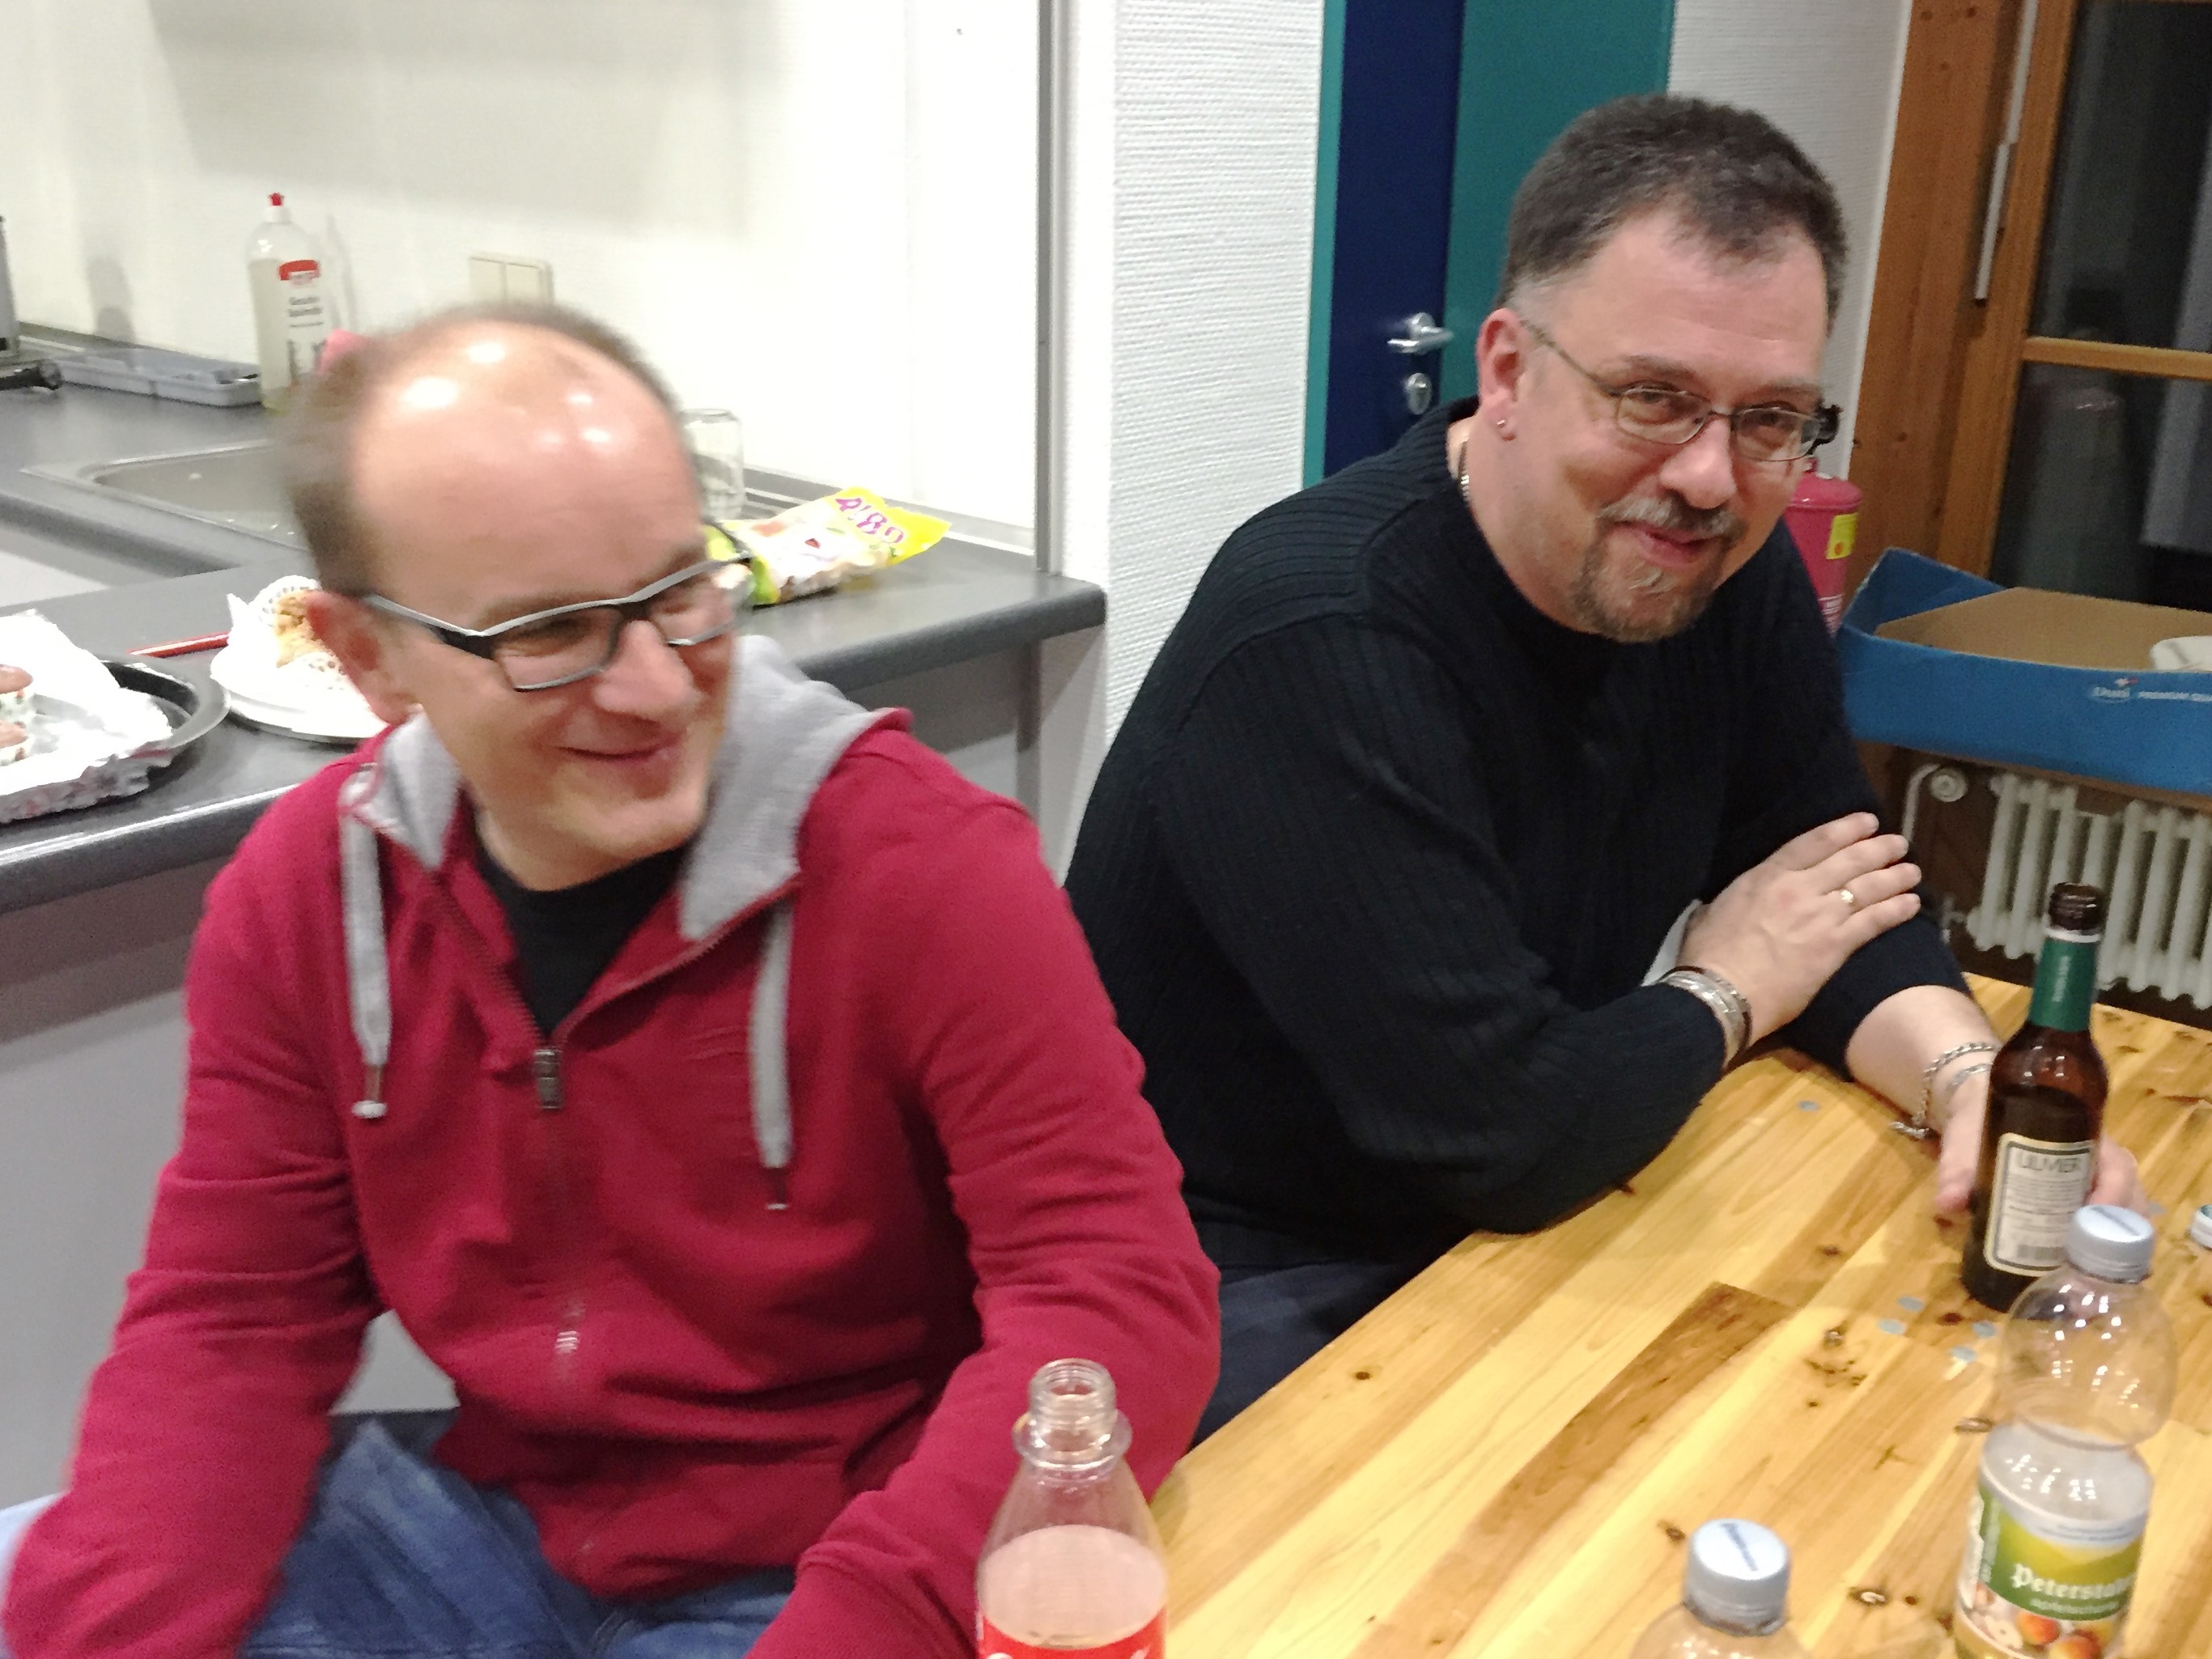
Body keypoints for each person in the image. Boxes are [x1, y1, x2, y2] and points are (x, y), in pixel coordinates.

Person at [2, 303, 1218, 1657]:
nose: (652, 689)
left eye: (677, 591)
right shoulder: (309, 895)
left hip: (834, 1550)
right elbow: (234, 1324)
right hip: (485, 1519)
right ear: (368, 657)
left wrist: (870, 1618)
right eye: (549, 631)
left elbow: (1112, 1291)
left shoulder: (918, 863)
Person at [1064, 95, 2142, 1440]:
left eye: (1769, 419)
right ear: (1508, 371)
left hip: (1503, 1208)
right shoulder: (1322, 637)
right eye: (1652, 399)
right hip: (1233, 1268)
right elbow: (1507, 1130)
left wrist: (1968, 1080)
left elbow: (1834, 891)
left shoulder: (1719, 569)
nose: (1708, 475)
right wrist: (1727, 984)